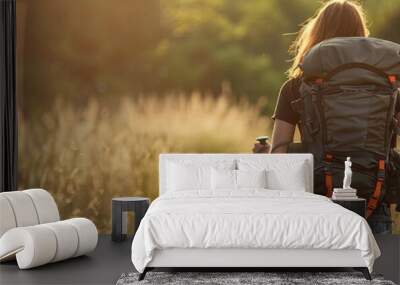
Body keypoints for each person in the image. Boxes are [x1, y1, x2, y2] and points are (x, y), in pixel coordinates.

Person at [266, 0, 400, 234]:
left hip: (315, 207)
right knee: (377, 271)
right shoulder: (389, 90)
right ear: (361, 37)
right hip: (376, 203)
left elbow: (278, 153)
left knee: (321, 272)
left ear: (316, 35)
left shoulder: (296, 87)